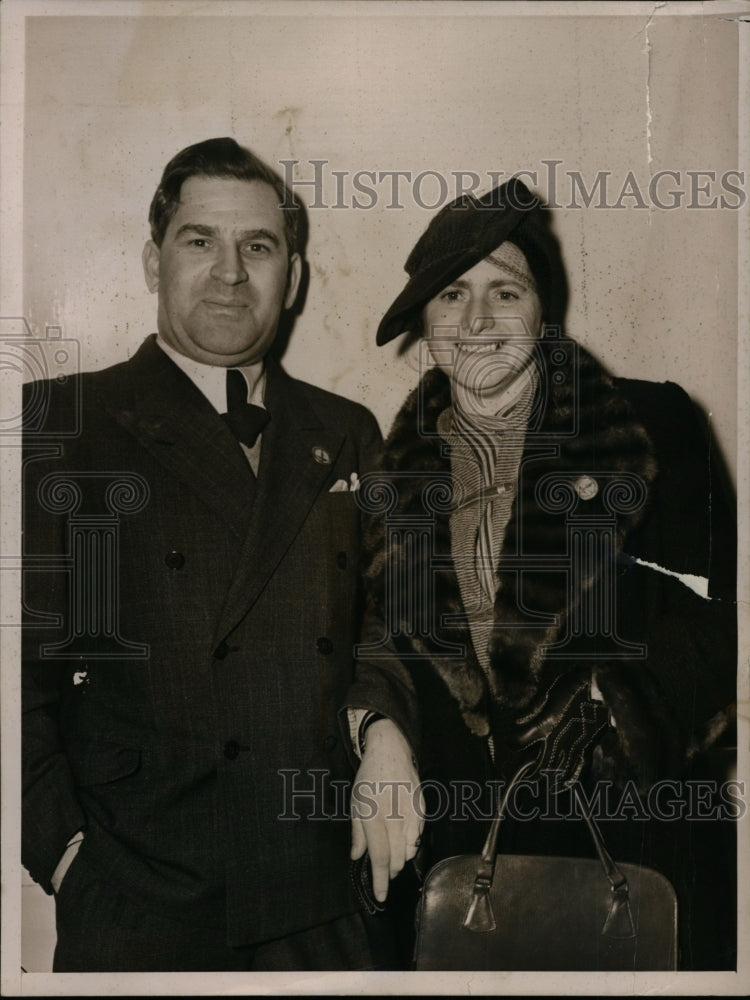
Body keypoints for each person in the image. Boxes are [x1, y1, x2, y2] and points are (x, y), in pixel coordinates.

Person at [345, 178, 738, 969]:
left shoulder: (651, 428)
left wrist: (612, 704)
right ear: (425, 320)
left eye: (506, 290)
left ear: (542, 308)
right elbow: (372, 639)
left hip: (631, 844)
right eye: (452, 295)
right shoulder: (390, 473)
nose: (479, 321)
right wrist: (377, 734)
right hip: (451, 856)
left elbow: (720, 625)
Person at [21, 137, 389, 971]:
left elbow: (390, 625)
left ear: (292, 279)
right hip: (145, 901)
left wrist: (388, 729)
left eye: (258, 247)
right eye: (201, 241)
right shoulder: (57, 426)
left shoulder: (348, 431)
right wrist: (67, 855)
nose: (230, 272)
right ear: (153, 263)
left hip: (324, 896)